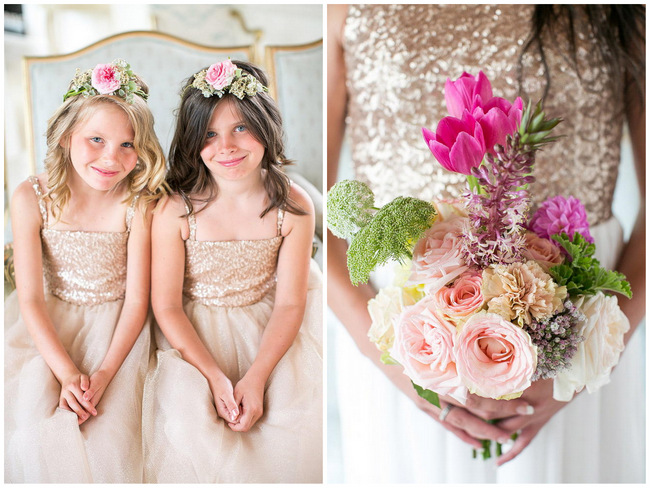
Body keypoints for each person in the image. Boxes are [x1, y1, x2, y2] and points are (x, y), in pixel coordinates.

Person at [328, 4, 645, 483]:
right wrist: (399, 364)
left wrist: (594, 351)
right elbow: (308, 213)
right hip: (403, 330)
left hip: (582, 318)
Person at [143, 59, 323, 483]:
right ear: (192, 142)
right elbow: (166, 305)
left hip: (271, 324)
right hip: (190, 332)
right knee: (191, 427)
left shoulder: (292, 207)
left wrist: (257, 376)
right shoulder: (176, 209)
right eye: (209, 134)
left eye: (240, 128)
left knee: (287, 423)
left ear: (265, 126)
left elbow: (291, 301)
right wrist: (215, 377)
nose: (226, 146)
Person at [4, 59, 167, 482]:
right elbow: (31, 298)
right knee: (32, 421)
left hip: (121, 327)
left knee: (113, 432)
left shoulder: (139, 202)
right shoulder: (31, 197)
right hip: (49, 321)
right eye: (96, 139)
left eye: (127, 145)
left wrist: (102, 375)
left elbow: (138, 299)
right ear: (64, 136)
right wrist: (68, 374)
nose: (110, 158)